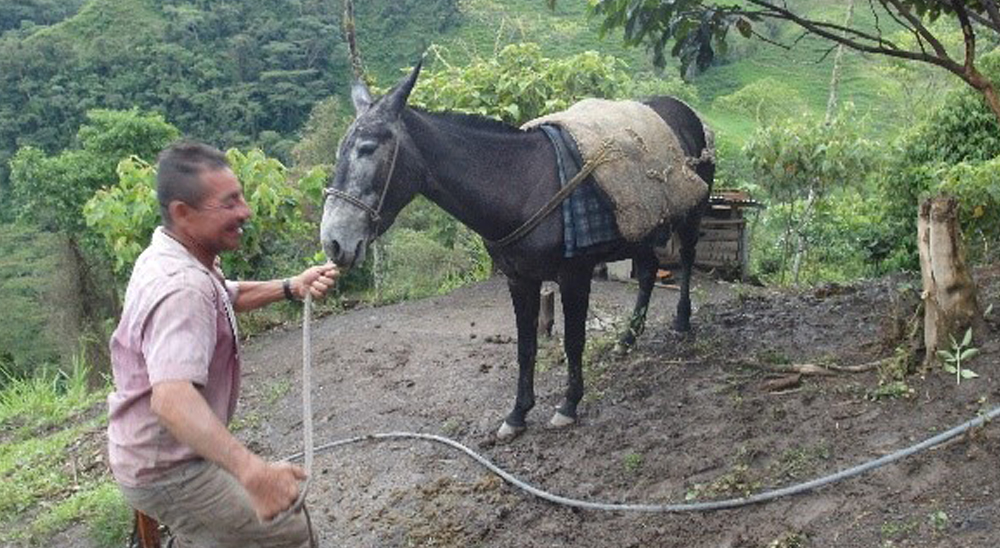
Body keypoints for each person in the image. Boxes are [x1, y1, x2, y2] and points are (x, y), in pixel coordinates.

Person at [106, 140, 338, 547]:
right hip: (168, 469)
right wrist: (253, 472)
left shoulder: (171, 252)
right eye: (229, 203)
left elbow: (225, 294)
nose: (245, 211)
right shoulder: (184, 288)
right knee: (286, 530)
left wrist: (290, 286)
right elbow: (172, 401)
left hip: (149, 452)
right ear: (183, 212)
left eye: (241, 197)